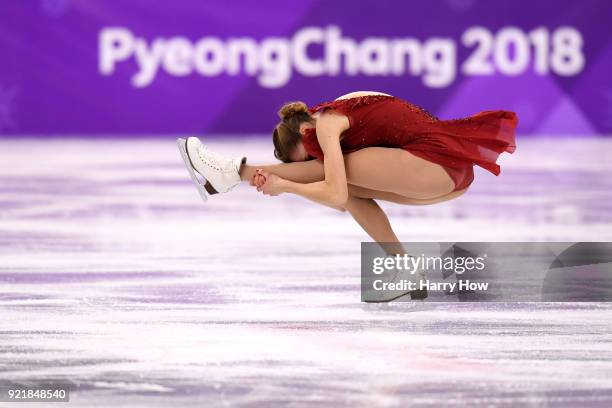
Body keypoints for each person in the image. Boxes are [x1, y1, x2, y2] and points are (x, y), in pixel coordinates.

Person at [181, 91, 518, 250]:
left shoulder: (325, 126)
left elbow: (334, 191)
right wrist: (285, 180)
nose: (312, 161)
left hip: (435, 164)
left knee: (335, 175)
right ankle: (404, 269)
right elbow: (344, 197)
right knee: (350, 188)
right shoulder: (338, 112)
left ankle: (231, 174)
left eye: (304, 158)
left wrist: (284, 184)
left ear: (302, 132)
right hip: (447, 178)